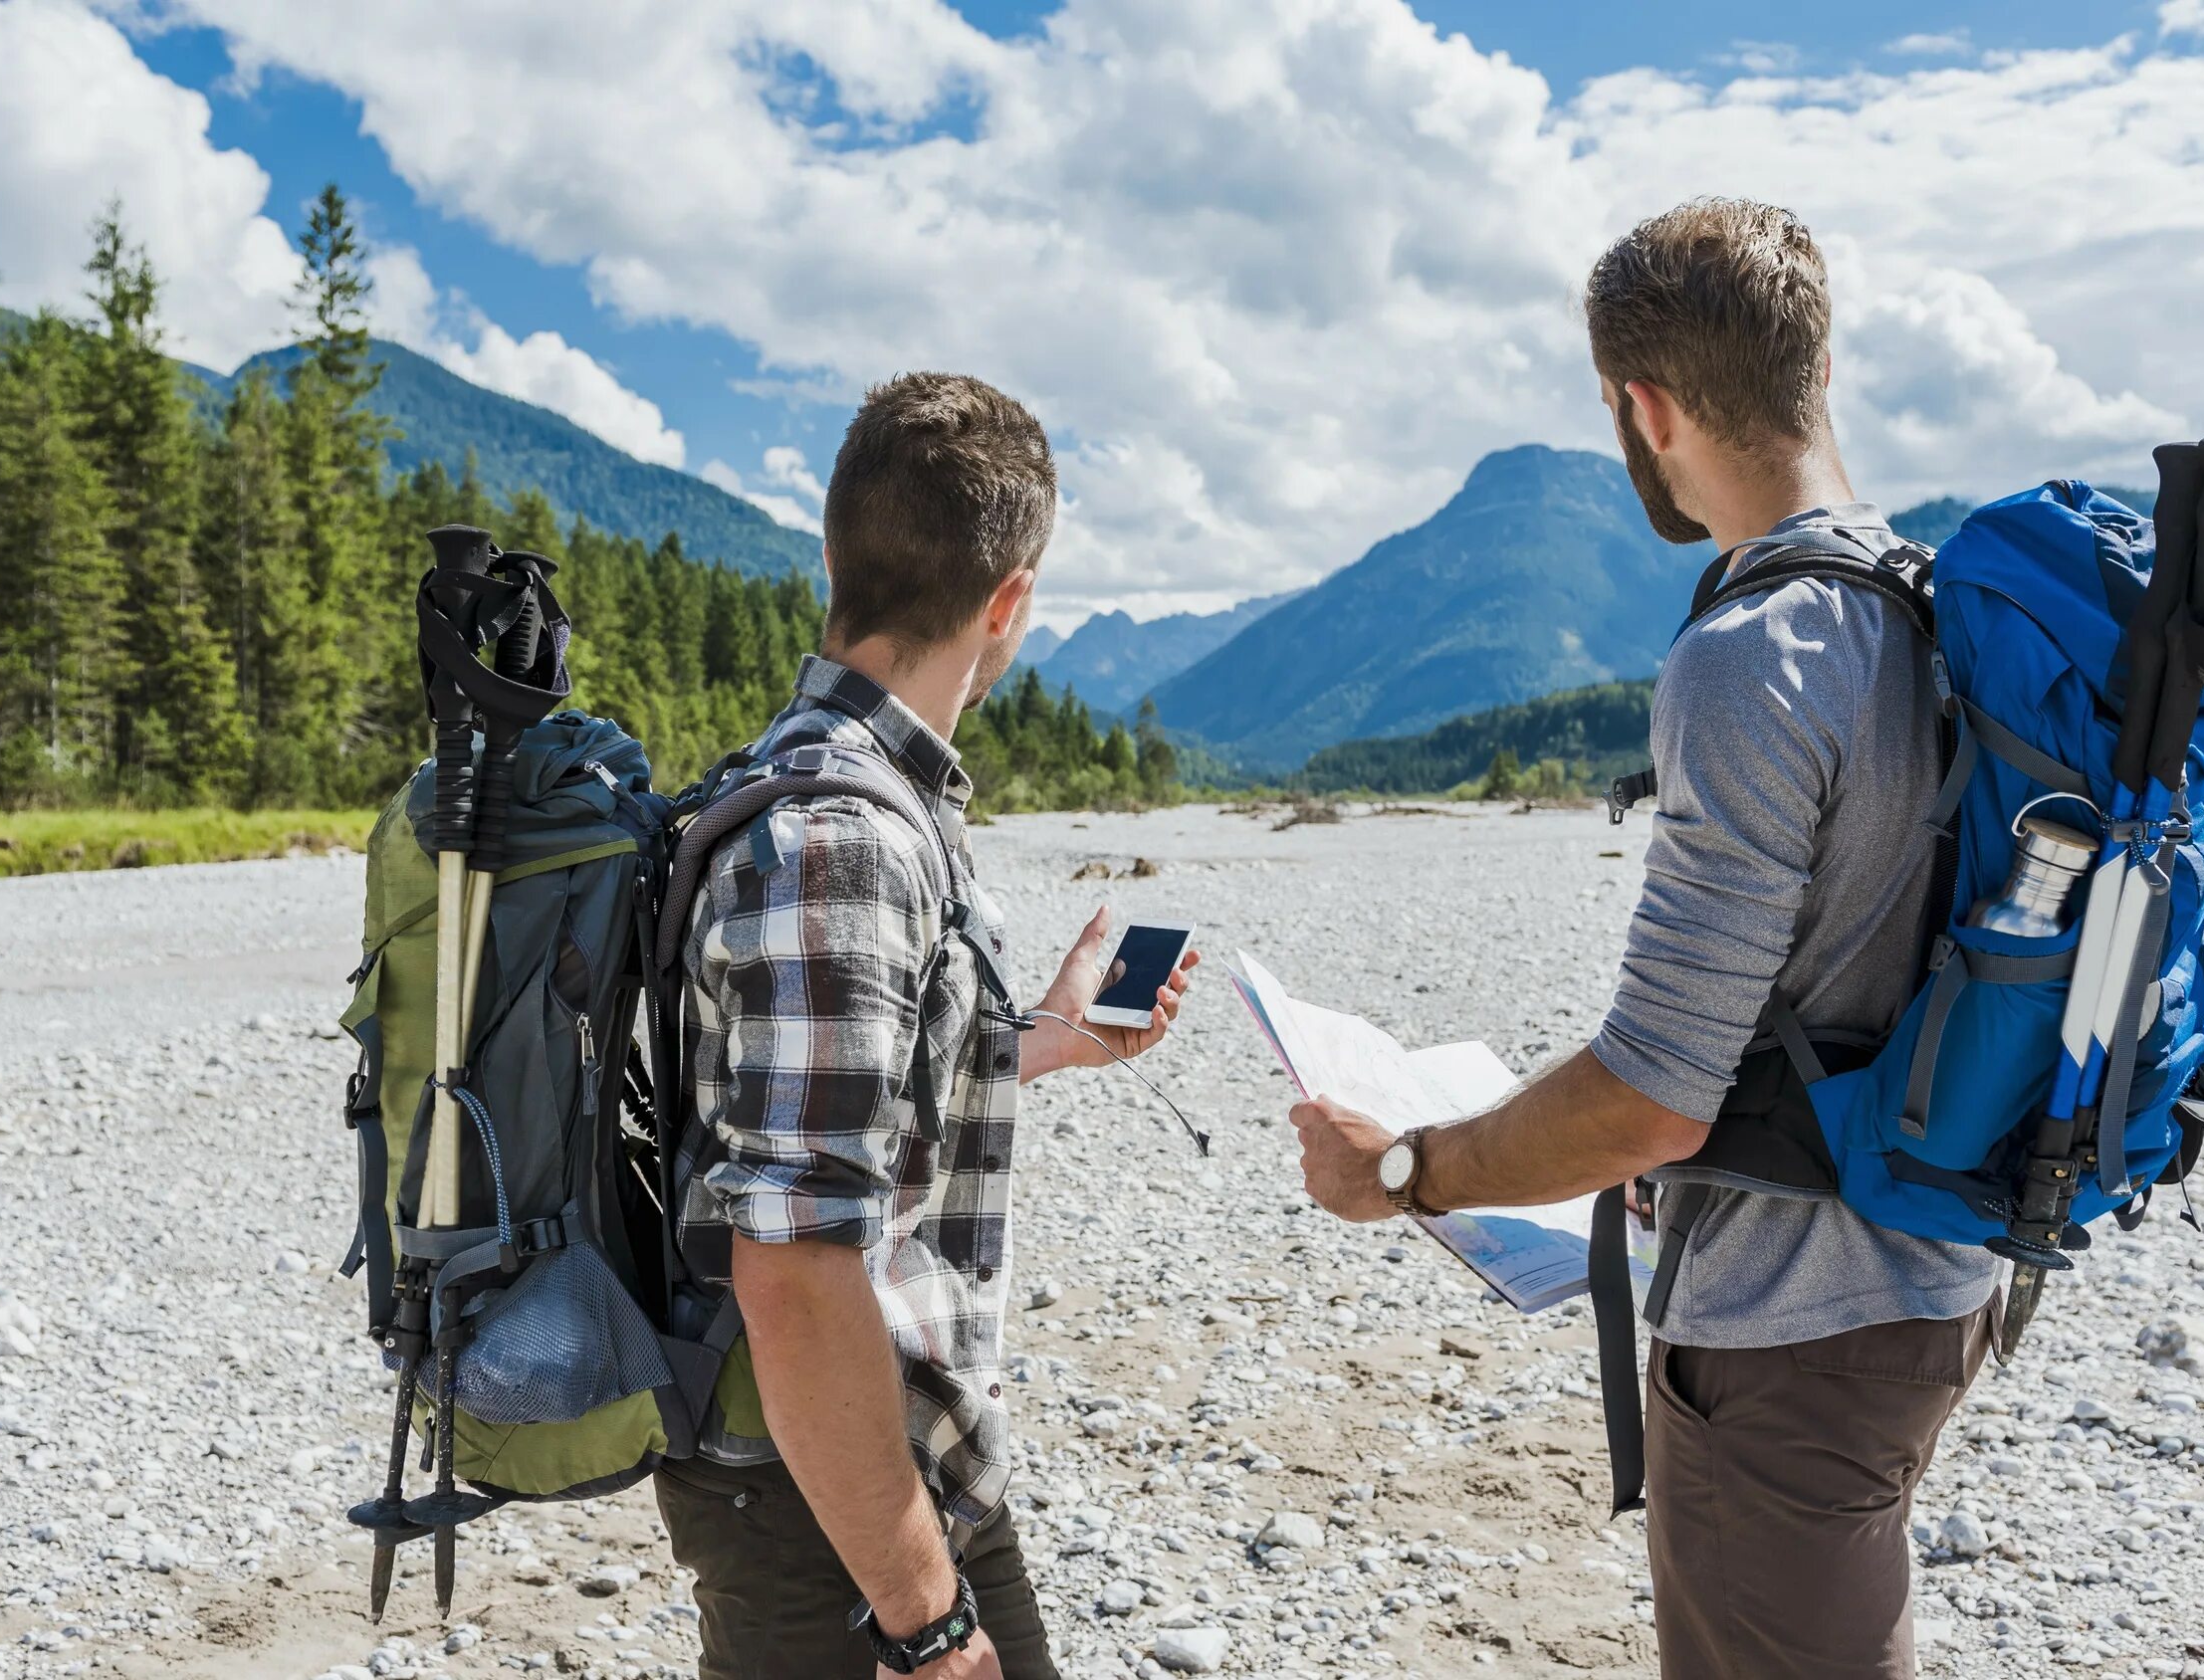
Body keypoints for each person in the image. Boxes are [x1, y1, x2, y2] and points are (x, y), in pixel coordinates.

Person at [1285, 199, 2002, 1680]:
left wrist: (1410, 1169)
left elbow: (1658, 1096)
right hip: (1944, 1273)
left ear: (1647, 406)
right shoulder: (1941, 612)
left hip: (1794, 1325)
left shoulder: (1754, 658)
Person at [660, 370, 1198, 1680]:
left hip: (888, 1461)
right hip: (824, 1494)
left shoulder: (840, 795)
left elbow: (841, 1104)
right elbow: (787, 1265)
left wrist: (1040, 1039)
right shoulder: (842, 839)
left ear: (839, 559)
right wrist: (924, 1617)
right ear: (1007, 602)